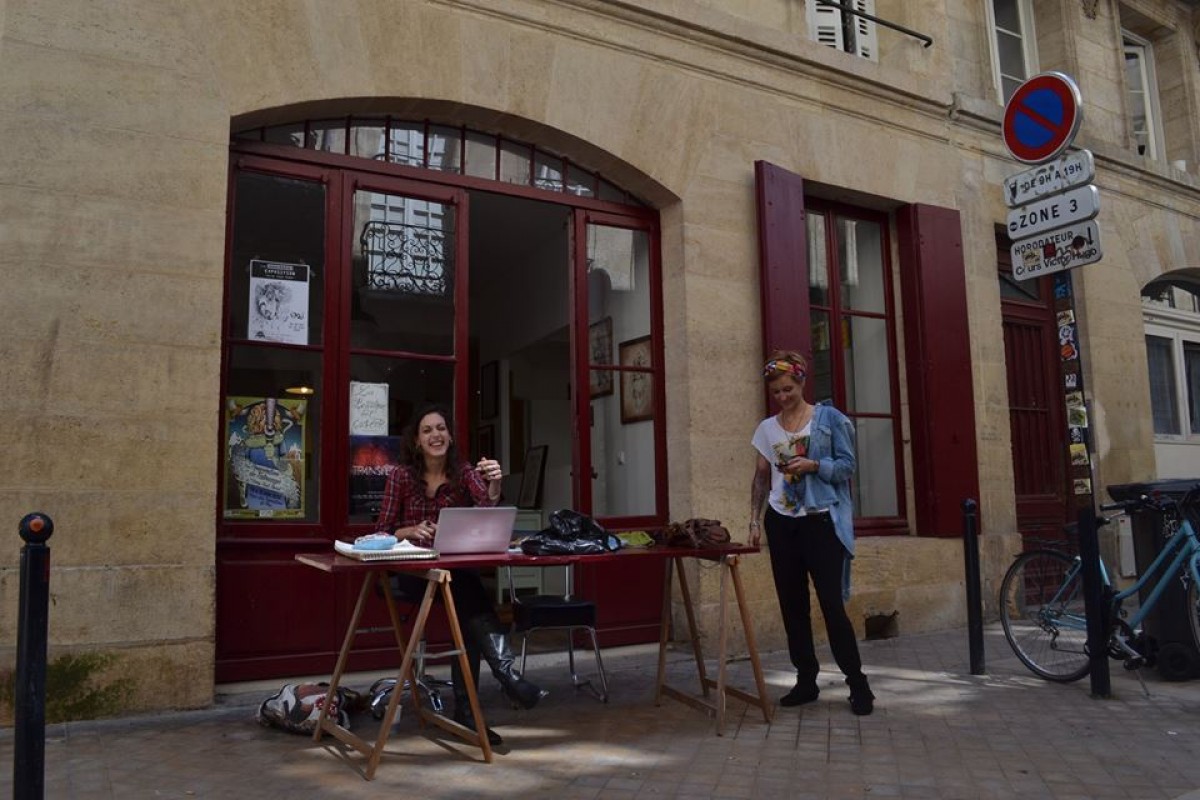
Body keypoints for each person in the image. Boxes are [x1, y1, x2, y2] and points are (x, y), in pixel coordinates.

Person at [376, 403, 544, 745]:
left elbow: (487, 508)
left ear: (450, 436)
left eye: (441, 428)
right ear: (417, 440)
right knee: (469, 597)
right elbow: (382, 530)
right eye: (427, 430)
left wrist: (495, 484)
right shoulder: (400, 476)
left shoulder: (464, 472)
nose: (435, 435)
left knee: (465, 600)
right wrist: (410, 531)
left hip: (455, 570)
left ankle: (474, 707)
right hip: (413, 571)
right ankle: (503, 681)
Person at [748, 351, 874, 716]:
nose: (783, 397)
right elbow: (761, 477)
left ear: (802, 382)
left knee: (832, 606)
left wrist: (814, 465)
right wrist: (754, 521)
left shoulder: (828, 419)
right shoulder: (766, 428)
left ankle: (858, 684)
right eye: (776, 392)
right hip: (781, 523)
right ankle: (806, 681)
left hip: (820, 522)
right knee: (793, 607)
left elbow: (848, 466)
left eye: (788, 389)